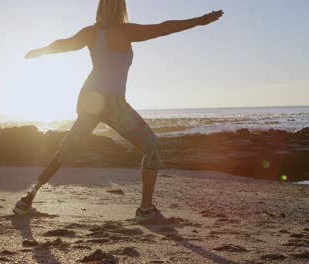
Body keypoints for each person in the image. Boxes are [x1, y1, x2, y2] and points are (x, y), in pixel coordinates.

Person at [12, 0, 224, 222]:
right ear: (121, 7)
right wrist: (198, 21)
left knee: (67, 148)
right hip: (111, 102)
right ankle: (145, 210)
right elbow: (163, 27)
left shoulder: (90, 32)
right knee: (152, 146)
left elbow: (64, 43)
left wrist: (40, 51)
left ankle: (27, 199)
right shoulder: (125, 30)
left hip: (88, 98)